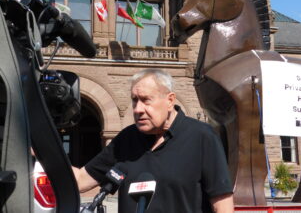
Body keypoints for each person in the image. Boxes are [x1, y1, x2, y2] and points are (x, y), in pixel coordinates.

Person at [73, 69, 234, 212]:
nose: (137, 109)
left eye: (145, 100)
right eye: (134, 100)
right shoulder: (126, 139)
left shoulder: (202, 137)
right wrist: (49, 154)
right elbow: (80, 179)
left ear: (170, 100)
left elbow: (222, 204)